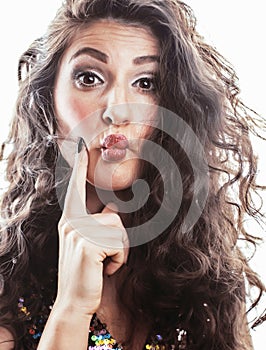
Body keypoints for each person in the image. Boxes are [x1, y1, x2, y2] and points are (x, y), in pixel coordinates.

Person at [0, 0, 265, 349]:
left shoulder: (209, 278)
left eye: (145, 82)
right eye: (89, 78)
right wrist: (71, 307)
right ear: (47, 99)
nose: (117, 110)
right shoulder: (7, 282)